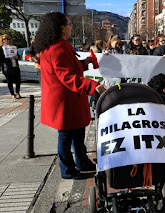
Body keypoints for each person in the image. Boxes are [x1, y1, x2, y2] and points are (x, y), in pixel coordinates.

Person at [33, 12, 106, 180]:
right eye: (69, 24)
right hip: (64, 102)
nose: (71, 26)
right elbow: (66, 77)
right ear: (61, 28)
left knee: (78, 134)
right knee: (66, 138)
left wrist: (84, 63)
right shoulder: (58, 48)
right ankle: (68, 170)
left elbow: (69, 68)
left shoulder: (56, 46)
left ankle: (82, 162)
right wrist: (93, 85)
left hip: (68, 100)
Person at [0, 34, 21, 99]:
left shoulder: (13, 47)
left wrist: (17, 57)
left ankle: (17, 92)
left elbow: (18, 56)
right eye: (4, 39)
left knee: (18, 80)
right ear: (2, 40)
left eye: (8, 39)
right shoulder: (1, 48)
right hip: (7, 66)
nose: (6, 40)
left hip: (15, 65)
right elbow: (0, 59)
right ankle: (12, 94)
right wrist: (7, 57)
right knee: (10, 81)